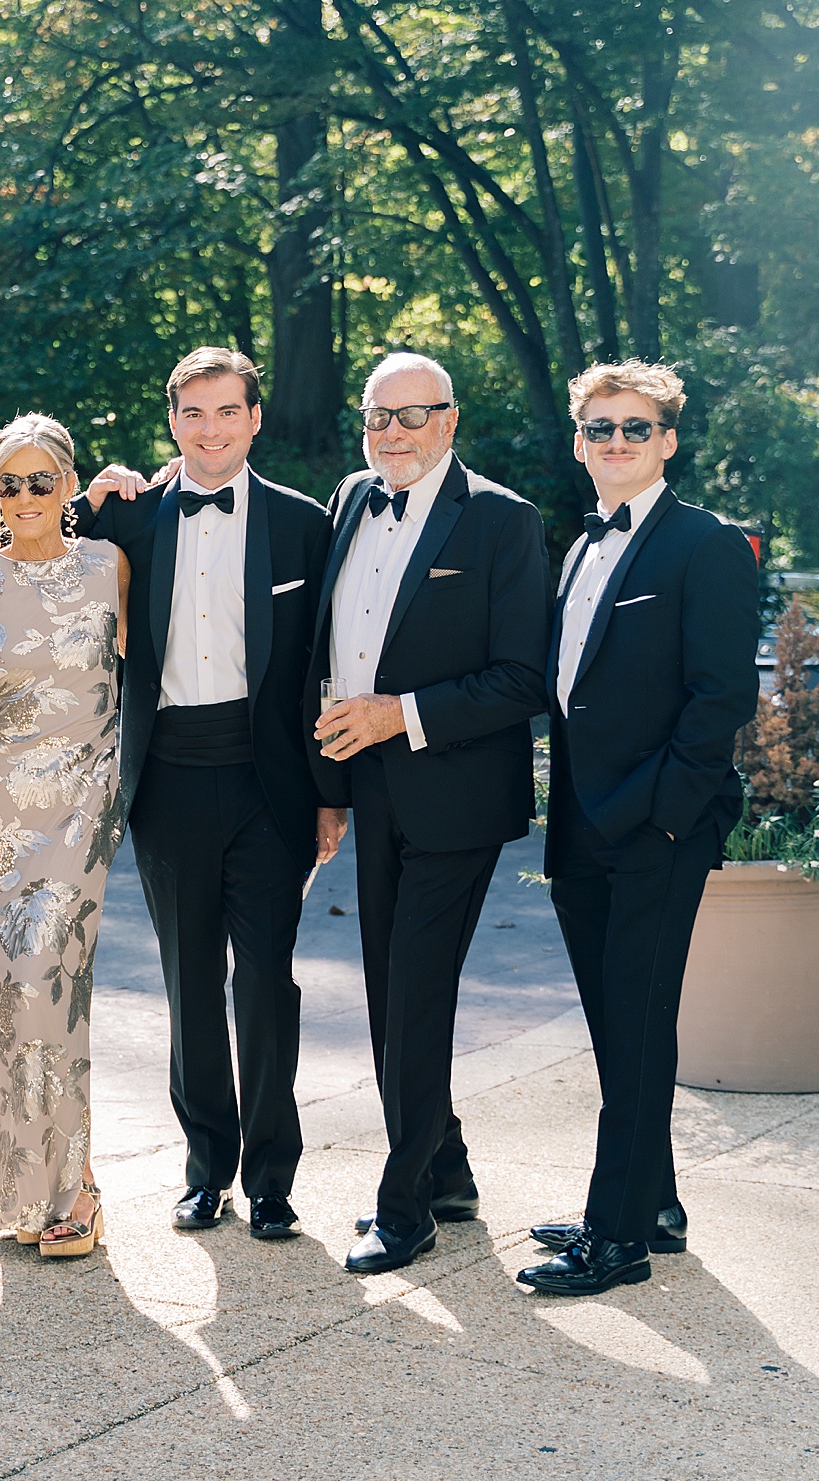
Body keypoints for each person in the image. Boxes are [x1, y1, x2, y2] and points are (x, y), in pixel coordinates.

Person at [79, 347, 336, 1241]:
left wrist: (329, 794)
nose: (211, 429)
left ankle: (272, 1176)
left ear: (255, 418)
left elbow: (326, 664)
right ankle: (206, 1170)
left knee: (265, 981)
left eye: (227, 411)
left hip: (271, 782)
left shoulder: (305, 525)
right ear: (173, 421)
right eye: (193, 413)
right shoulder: (132, 521)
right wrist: (88, 495)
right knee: (189, 981)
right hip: (167, 781)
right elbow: (31, 540)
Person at [517, 361, 758, 1297]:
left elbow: (721, 698)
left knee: (642, 1024)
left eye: (635, 428)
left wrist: (665, 819)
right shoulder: (580, 550)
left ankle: (613, 1238)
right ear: (580, 442)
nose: (616, 442)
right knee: (619, 1027)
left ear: (666, 442)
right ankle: (652, 1203)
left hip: (656, 830)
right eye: (600, 428)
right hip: (579, 824)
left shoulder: (706, 546)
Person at [311, 352, 549, 1275]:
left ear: (450, 421)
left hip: (453, 793)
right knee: (388, 990)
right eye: (379, 416)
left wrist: (397, 717)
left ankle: (404, 1204)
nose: (394, 433)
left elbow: (522, 678)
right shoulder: (347, 500)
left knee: (413, 993)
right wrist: (331, 785)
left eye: (414, 416)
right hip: (365, 785)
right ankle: (447, 1169)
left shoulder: (501, 519)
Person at [0, 414, 129, 1258]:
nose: (24, 498)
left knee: (52, 984)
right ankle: (23, 1193)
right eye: (8, 484)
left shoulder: (109, 567)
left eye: (41, 481)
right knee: (5, 1004)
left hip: (77, 810)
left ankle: (77, 1189)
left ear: (69, 486)